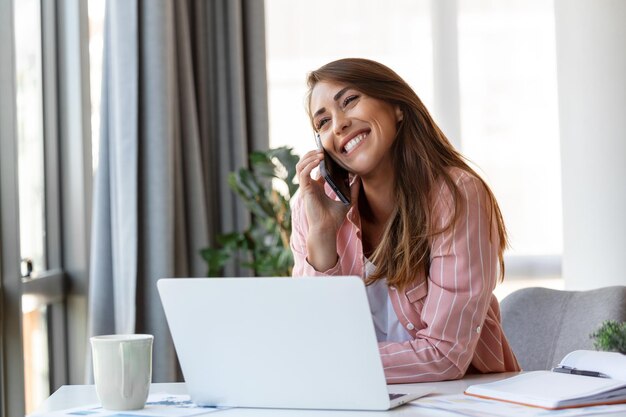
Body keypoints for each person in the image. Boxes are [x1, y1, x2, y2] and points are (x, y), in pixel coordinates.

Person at [290, 58, 521, 383]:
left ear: (397, 107)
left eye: (350, 100)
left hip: (459, 400)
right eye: (323, 122)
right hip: (358, 399)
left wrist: (338, 365)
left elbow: (446, 354)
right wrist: (322, 236)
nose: (338, 124)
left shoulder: (456, 195)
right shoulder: (312, 207)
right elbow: (313, 340)